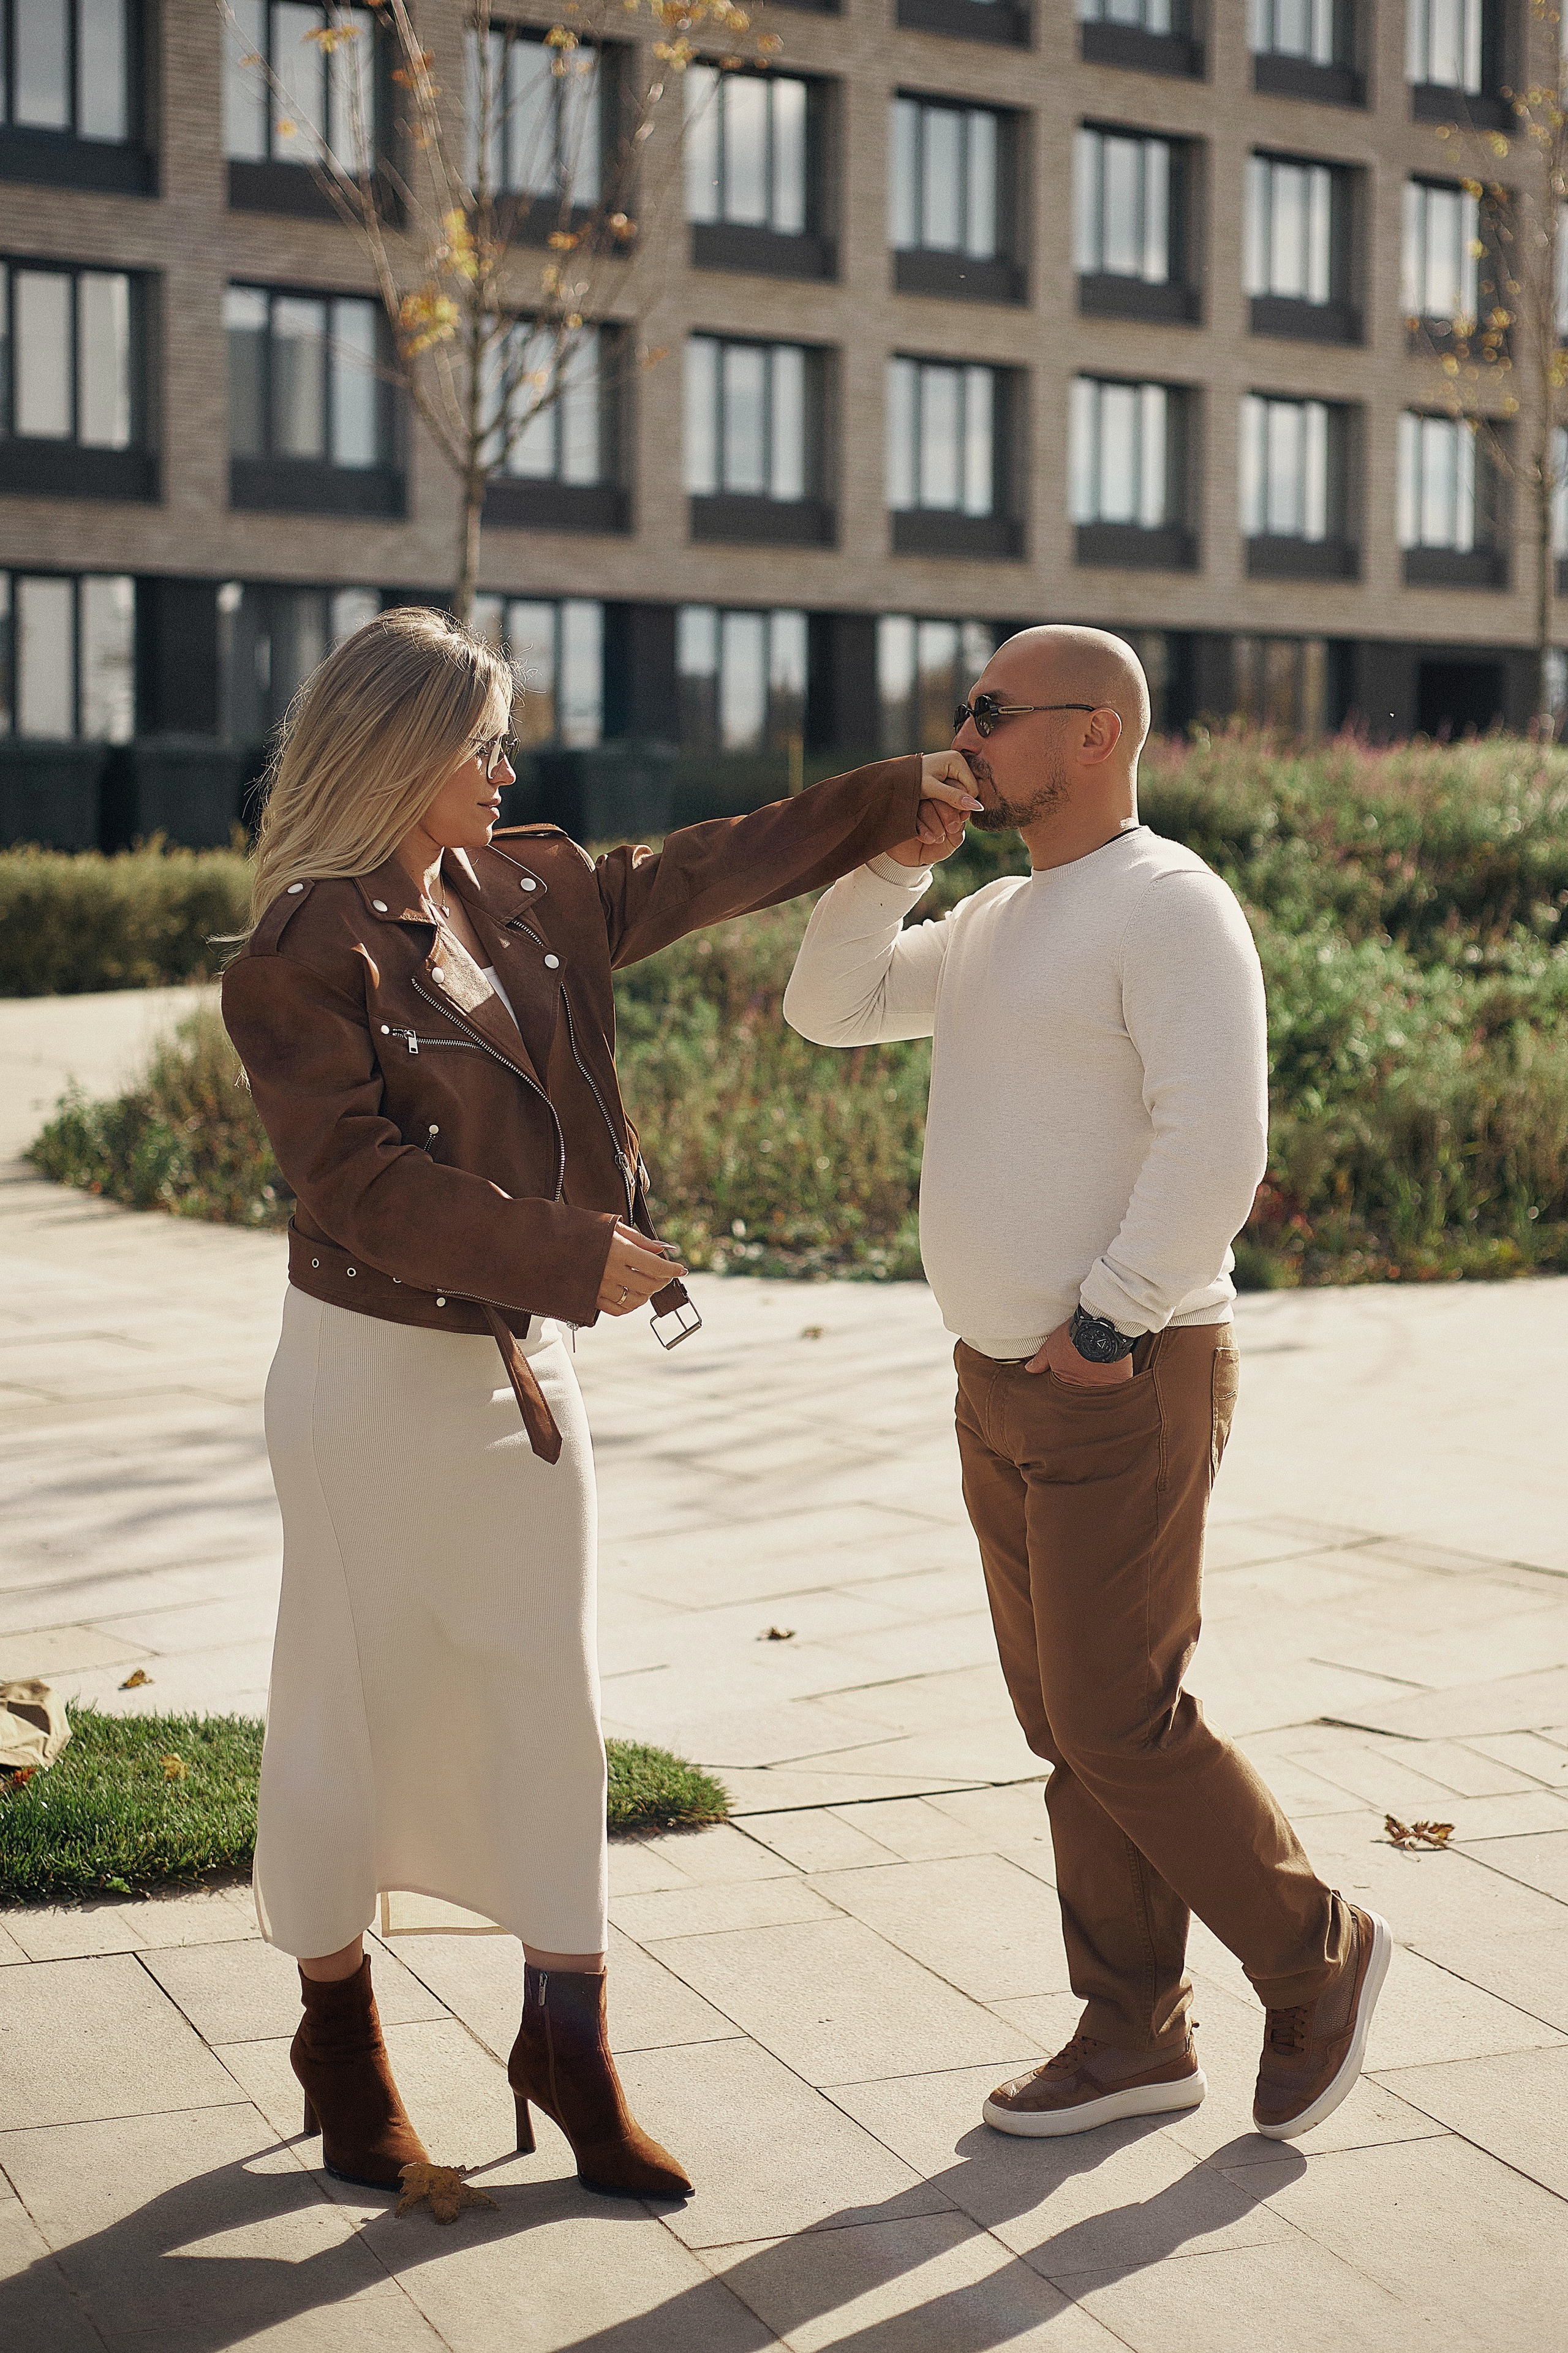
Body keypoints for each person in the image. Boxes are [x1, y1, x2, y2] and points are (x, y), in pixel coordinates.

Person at [221, 605, 978, 2198]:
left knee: (545, 1696)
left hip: (525, 1359)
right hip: (367, 1373)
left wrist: (889, 795)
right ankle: (339, 2038)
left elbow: (701, 868)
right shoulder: (305, 946)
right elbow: (353, 1185)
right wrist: (576, 1251)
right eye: (484, 744)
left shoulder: (525, 887)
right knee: (348, 1699)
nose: (511, 768)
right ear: (401, 754)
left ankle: (569, 2035)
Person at [783, 624, 1391, 2143]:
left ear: (1094, 733)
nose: (964, 732)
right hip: (997, 1382)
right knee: (1065, 1720)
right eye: (962, 709)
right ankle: (1131, 2033)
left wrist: (1109, 1325)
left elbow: (1216, 1141)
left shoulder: (1168, 903)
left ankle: (1314, 1947)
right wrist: (892, 860)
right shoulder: (994, 915)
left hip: (1120, 1373)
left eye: (991, 712)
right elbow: (829, 1005)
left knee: (1115, 1715)